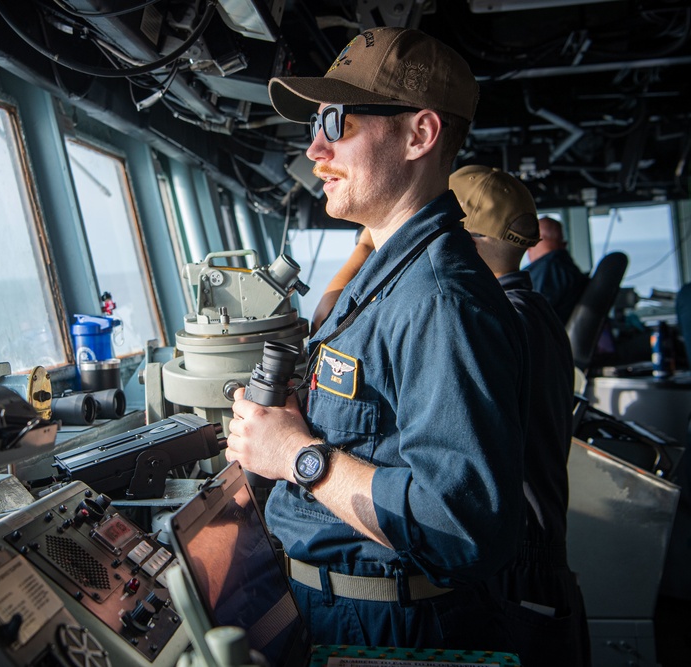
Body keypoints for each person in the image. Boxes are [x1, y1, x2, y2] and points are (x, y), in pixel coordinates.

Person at [226, 27, 529, 652]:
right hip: (341, 610)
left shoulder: (440, 300)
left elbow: (461, 526)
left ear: (419, 134)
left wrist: (300, 459)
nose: (314, 148)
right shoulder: (392, 276)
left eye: (336, 121)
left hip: (392, 631)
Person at [449, 165, 591, 666]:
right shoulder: (536, 311)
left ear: (462, 238)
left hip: (517, 567)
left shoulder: (497, 325)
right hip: (539, 555)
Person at [525, 216, 589, 324]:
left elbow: (531, 317)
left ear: (537, 239)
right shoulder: (566, 268)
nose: (527, 249)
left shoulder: (549, 270)